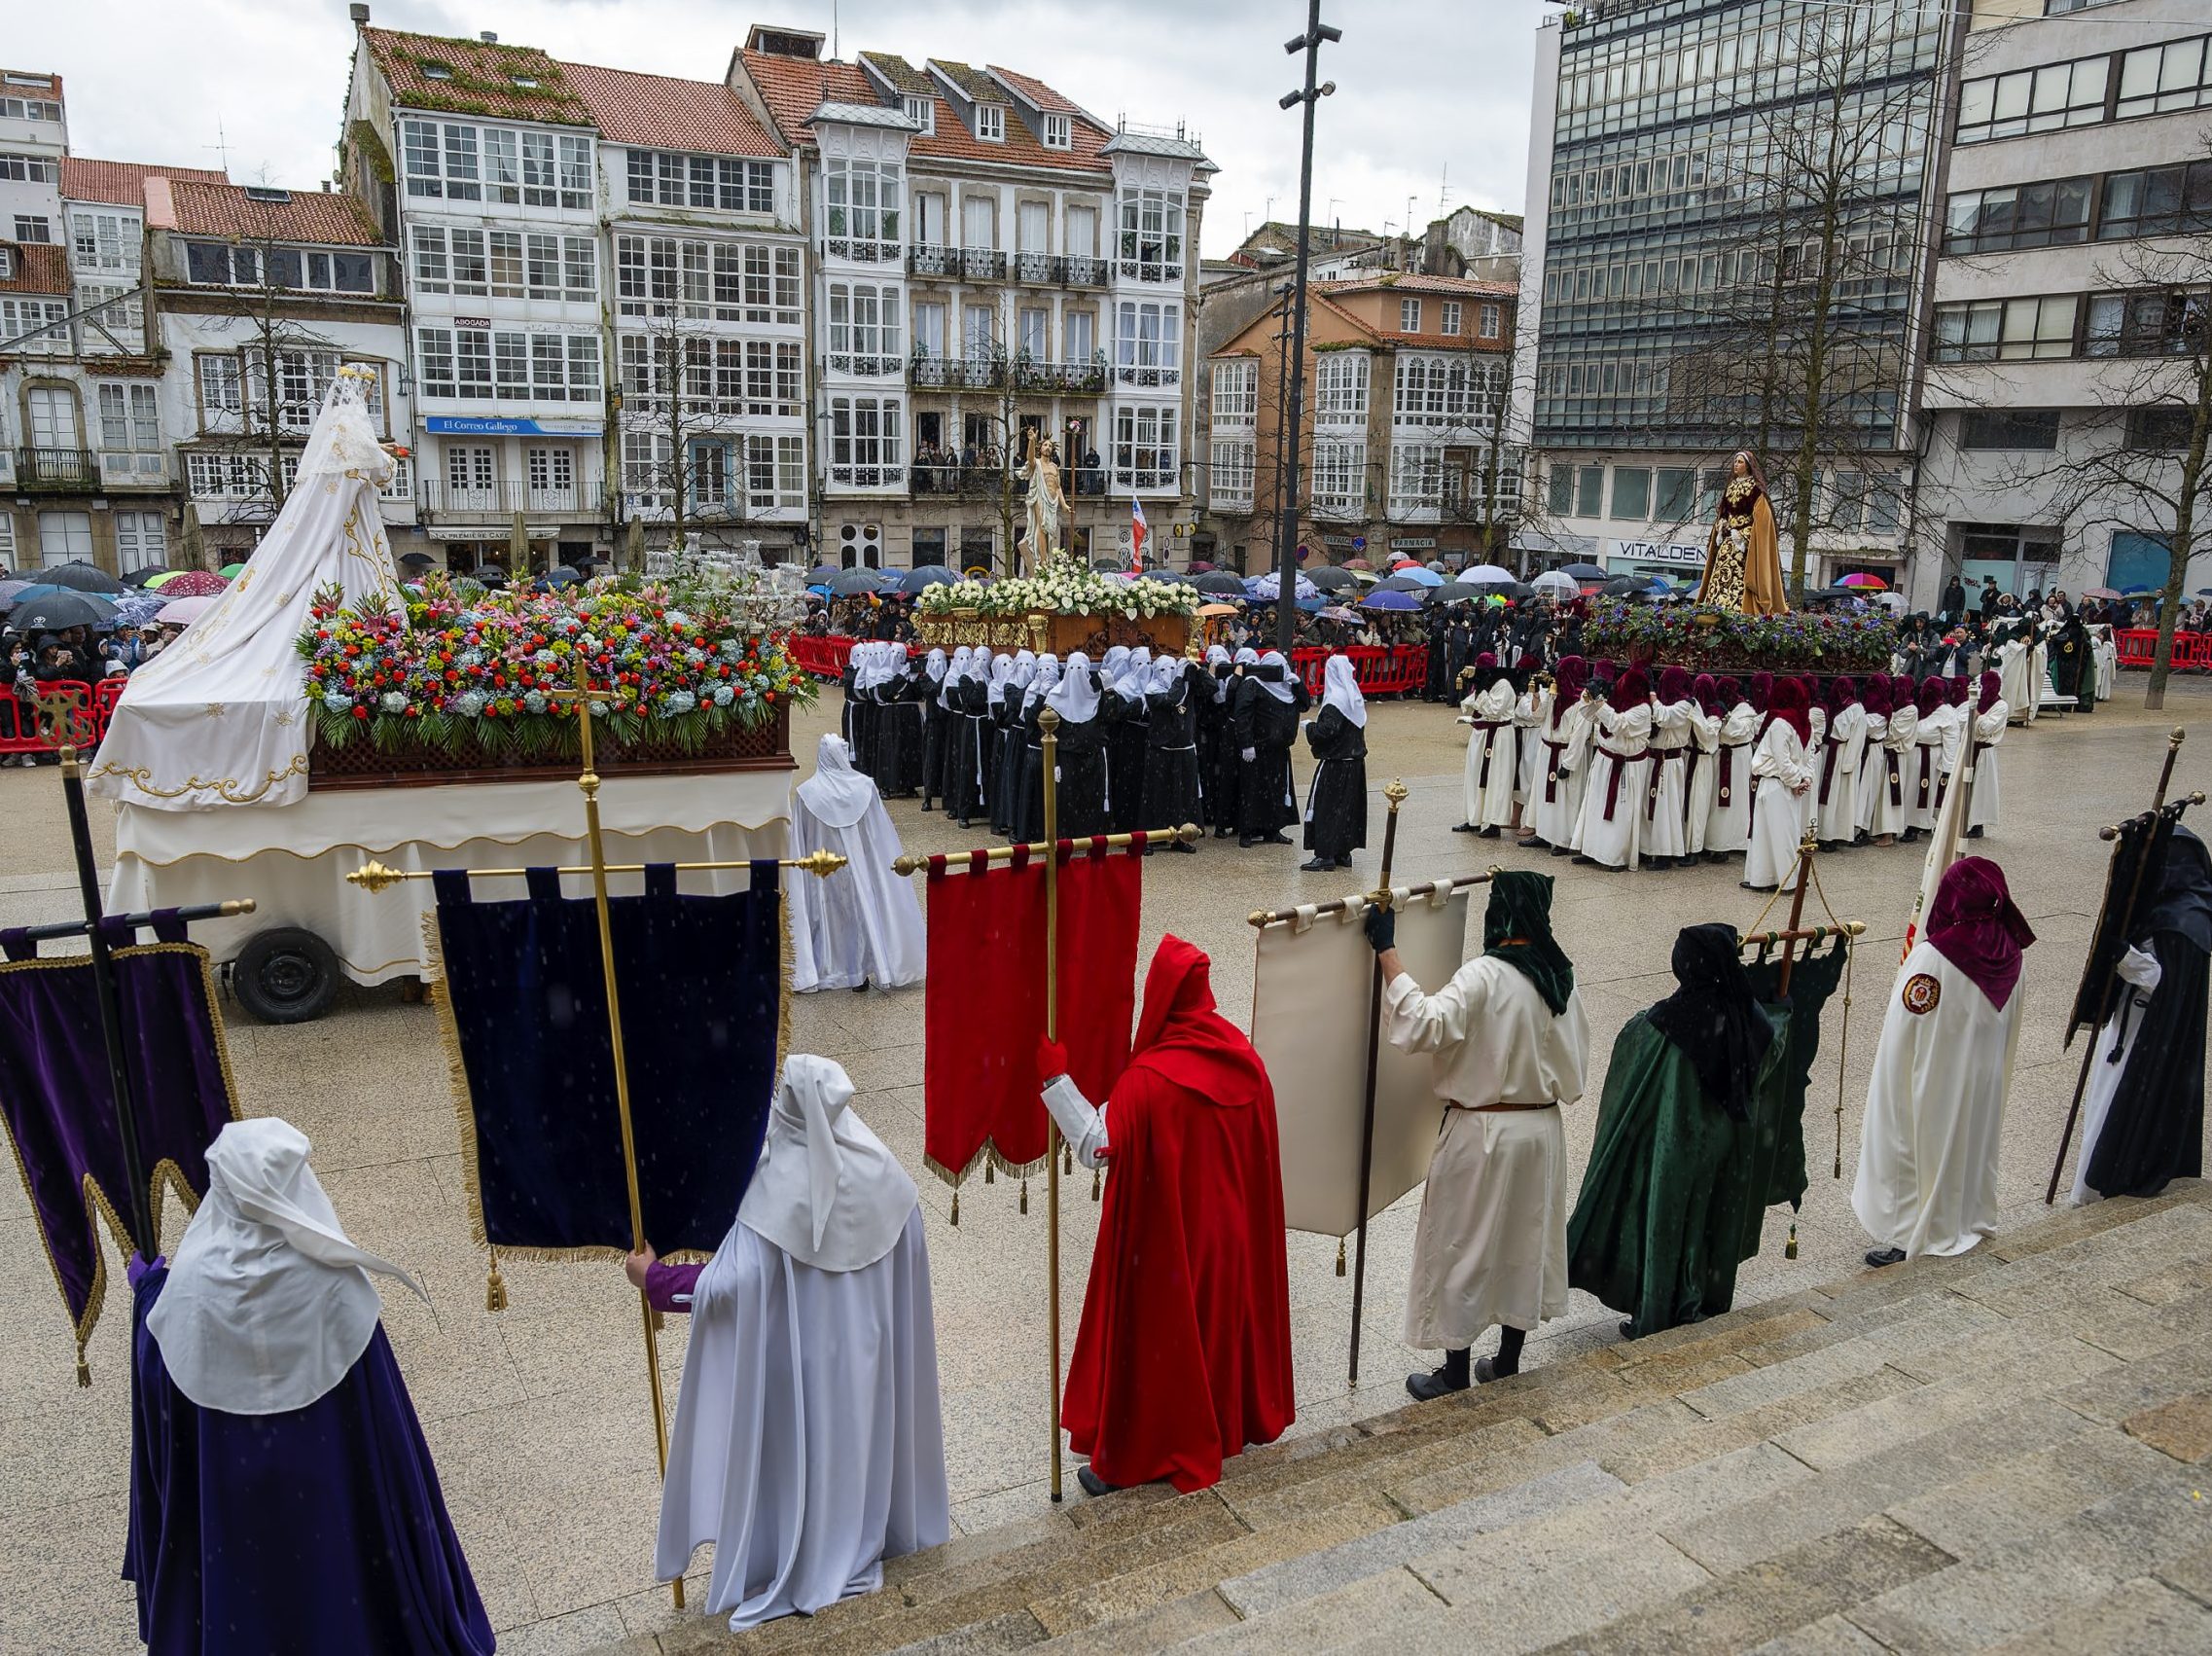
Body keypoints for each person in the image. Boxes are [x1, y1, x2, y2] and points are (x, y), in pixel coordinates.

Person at [126, 1118, 496, 1656]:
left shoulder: (184, 1296)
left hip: (228, 1511)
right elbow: (385, 1436)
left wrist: (146, 1296)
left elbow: (162, 1386)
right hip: (331, 1500)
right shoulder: (336, 1285)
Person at [634, 1055, 949, 1628]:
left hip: (801, 1371)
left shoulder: (778, 1191)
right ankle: (864, 1535)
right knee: (861, 1447)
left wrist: (655, 1281)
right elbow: (909, 1258)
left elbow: (729, 1287)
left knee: (806, 1464)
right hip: (873, 1360)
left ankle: (805, 1553)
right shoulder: (886, 1174)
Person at [1038, 937, 1295, 1494]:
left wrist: (1056, 1082)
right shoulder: (1245, 1059)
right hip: (1232, 1238)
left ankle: (1145, 1451)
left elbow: (1097, 1145)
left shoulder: (1149, 1080)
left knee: (1162, 1341)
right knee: (1215, 1331)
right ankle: (1226, 1425)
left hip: (1172, 1239)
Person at [1366, 872, 1588, 1394]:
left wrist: (1387, 953)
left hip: (1484, 1132)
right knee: (1522, 1244)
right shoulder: (1562, 977)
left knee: (1462, 1247)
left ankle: (1455, 1372)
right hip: (1540, 1131)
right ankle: (1507, 1361)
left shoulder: (1484, 976)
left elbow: (1422, 1024)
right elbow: (1576, 1063)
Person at [1565, 924, 1781, 1338]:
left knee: (1665, 1223)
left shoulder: (1665, 1022)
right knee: (1707, 1218)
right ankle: (1698, 1297)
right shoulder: (1749, 1017)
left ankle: (1657, 1309)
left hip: (1674, 1145)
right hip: (1725, 1143)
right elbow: (1768, 1059)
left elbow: (1631, 1060)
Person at [1855, 857, 2035, 1265]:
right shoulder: (2010, 949)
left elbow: (1904, 1024)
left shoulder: (1936, 957)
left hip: (1934, 1076)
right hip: (1980, 1073)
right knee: (1967, 1145)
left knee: (1917, 1144)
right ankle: (1963, 1217)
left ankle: (1913, 1231)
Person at [2072, 827, 2211, 1204]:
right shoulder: (2166, 907)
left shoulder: (2186, 921)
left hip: (2147, 1031)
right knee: (2103, 1097)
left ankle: (2101, 1184)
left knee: (2116, 1101)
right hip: (2128, 1020)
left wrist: (2123, 957)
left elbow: (2165, 981)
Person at [788, 735, 925, 994]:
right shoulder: (864, 787)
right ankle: (867, 967)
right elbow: (878, 832)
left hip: (825, 868)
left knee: (833, 917)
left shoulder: (807, 793)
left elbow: (800, 838)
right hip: (860, 866)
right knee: (864, 912)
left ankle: (838, 968)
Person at [1574, 666, 1654, 872]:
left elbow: (1619, 725)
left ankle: (1615, 856)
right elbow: (1590, 715)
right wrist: (1590, 695)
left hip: (1626, 766)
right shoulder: (1616, 703)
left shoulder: (1643, 710)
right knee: (1596, 805)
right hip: (1604, 760)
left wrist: (1601, 701)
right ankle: (1592, 850)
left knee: (1620, 811)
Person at [1697, 450, 1788, 615]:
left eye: (1739, 462)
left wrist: (1743, 535)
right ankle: (1715, 606)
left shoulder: (1755, 489)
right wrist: (1722, 524)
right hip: (1727, 540)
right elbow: (1724, 512)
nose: (1736, 465)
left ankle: (1740, 608)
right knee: (1719, 571)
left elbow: (1761, 520)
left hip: (1742, 544)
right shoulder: (1730, 486)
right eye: (1735, 461)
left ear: (1748, 466)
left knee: (1740, 571)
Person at [1743, 677, 1812, 891]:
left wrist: (1796, 780)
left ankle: (1787, 881)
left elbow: (1782, 762)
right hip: (1789, 786)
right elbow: (1808, 759)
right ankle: (1767, 878)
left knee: (1776, 835)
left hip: (1775, 784)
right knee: (1780, 832)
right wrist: (1804, 779)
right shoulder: (1804, 721)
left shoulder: (1781, 723)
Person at [1302, 654, 1368, 871]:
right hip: (1354, 763)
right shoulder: (1354, 696)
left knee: (1327, 808)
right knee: (1347, 808)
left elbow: (1326, 731)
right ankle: (1343, 850)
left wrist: (1309, 727)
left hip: (1336, 763)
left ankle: (1325, 854)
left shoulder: (1335, 700)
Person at [1232, 649, 1304, 848]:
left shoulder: (1287, 686)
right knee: (1253, 789)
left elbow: (1305, 704)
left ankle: (1273, 829)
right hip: (1257, 748)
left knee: (1276, 789)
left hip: (1279, 749)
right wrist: (1246, 744)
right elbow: (1242, 715)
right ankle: (1247, 830)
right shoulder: (1253, 684)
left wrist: (1297, 684)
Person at [1528, 657, 1592, 855]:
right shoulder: (1554, 693)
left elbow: (1580, 734)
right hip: (1547, 749)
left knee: (1565, 798)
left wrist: (1569, 763)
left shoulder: (1582, 700)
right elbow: (1538, 717)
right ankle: (1544, 833)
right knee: (1544, 795)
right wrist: (1538, 695)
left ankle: (1563, 839)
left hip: (1565, 752)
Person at [1045, 650, 1109, 840]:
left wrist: (1110, 691)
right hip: (1067, 757)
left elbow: (1110, 717)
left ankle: (1090, 838)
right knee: (1068, 799)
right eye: (1073, 668)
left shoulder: (1096, 696)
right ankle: (1067, 838)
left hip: (1093, 756)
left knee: (1092, 798)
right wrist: (1054, 762)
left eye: (1081, 668)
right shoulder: (1055, 698)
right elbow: (1050, 734)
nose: (1076, 673)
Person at [1456, 655, 1519, 837]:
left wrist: (1482, 691)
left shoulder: (1503, 685)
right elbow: (1468, 706)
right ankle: (1473, 819)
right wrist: (1475, 688)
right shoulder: (1485, 683)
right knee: (1474, 776)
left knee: (1496, 779)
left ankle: (1494, 823)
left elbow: (1494, 710)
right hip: (1480, 735)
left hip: (1498, 736)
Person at [1643, 666, 1696, 870]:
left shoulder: (1686, 704)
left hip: (1670, 762)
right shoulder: (1663, 702)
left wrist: (1654, 699)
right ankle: (1648, 848)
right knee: (1649, 807)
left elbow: (1665, 718)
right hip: (1653, 759)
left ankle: (1665, 852)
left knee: (1666, 808)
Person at [1704, 675, 1759, 860]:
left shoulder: (1746, 710)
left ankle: (1732, 842)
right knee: (1715, 801)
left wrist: (1726, 716)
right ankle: (1714, 842)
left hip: (1737, 760)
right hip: (1719, 756)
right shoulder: (1716, 707)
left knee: (1736, 802)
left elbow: (1739, 731)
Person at [1812, 677, 1866, 851]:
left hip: (1842, 754)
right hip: (1828, 751)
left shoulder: (1856, 709)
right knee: (1825, 794)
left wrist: (1849, 764)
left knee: (1838, 797)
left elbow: (1857, 738)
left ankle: (1832, 835)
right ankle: (1820, 832)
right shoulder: (1831, 705)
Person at [1905, 676, 1953, 840]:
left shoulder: (1946, 712)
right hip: (1913, 755)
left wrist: (1948, 768)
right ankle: (1907, 822)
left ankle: (1917, 825)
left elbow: (1951, 741)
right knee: (1910, 792)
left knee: (1924, 793)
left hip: (1931, 758)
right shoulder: (1918, 707)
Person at [1854, 675, 1894, 846]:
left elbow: (1866, 726)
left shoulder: (1884, 708)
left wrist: (1854, 714)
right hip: (1860, 749)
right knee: (1857, 789)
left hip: (1872, 751)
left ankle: (1862, 829)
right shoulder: (1865, 703)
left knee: (1867, 790)